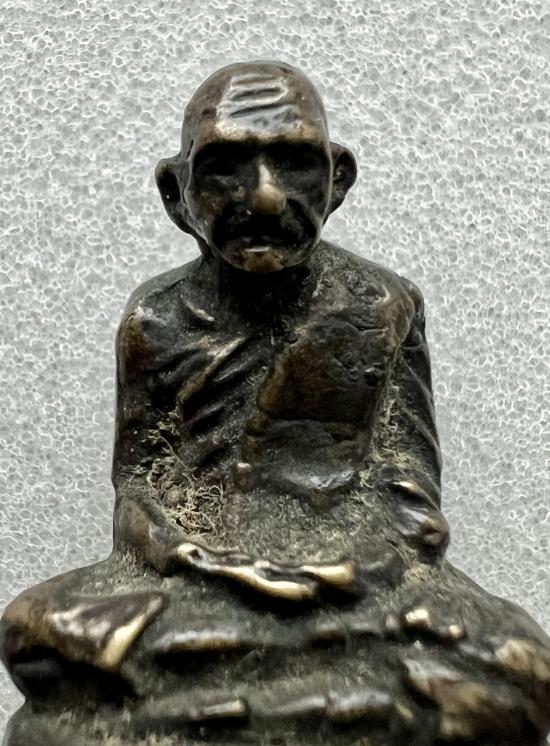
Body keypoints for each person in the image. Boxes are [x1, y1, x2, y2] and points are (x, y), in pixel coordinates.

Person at [2, 62, 549, 746]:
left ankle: (215, 707)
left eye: (294, 164)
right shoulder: (156, 321)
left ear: (338, 179)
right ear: (176, 192)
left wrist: (359, 565)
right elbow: (138, 490)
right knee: (33, 630)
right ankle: (332, 703)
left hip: (355, 582)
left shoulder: (381, 305)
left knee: (521, 661)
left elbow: (410, 485)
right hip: (199, 580)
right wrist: (196, 558)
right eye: (224, 169)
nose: (263, 199)